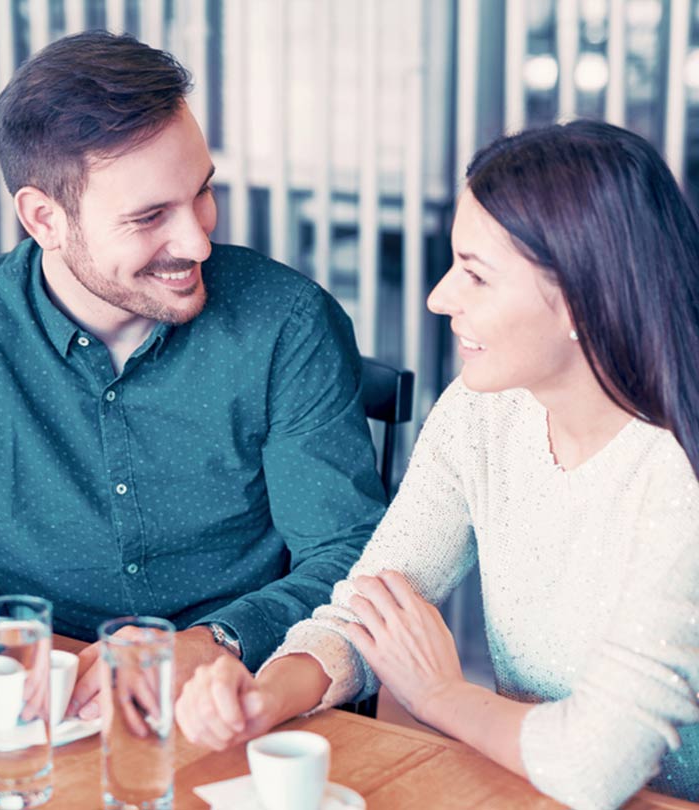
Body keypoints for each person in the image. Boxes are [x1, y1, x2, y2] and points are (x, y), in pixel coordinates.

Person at [176, 119, 699, 809]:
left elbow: (593, 764)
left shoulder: (676, 473)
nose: (438, 297)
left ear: (580, 298)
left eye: (475, 275)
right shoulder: (486, 412)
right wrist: (265, 697)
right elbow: (374, 602)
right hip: (524, 791)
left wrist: (440, 697)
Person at [0, 30, 385, 720]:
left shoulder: (284, 322)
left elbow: (351, 555)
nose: (198, 240)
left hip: (241, 706)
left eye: (201, 193)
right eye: (150, 217)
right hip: (40, 712)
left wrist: (220, 641)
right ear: (45, 218)